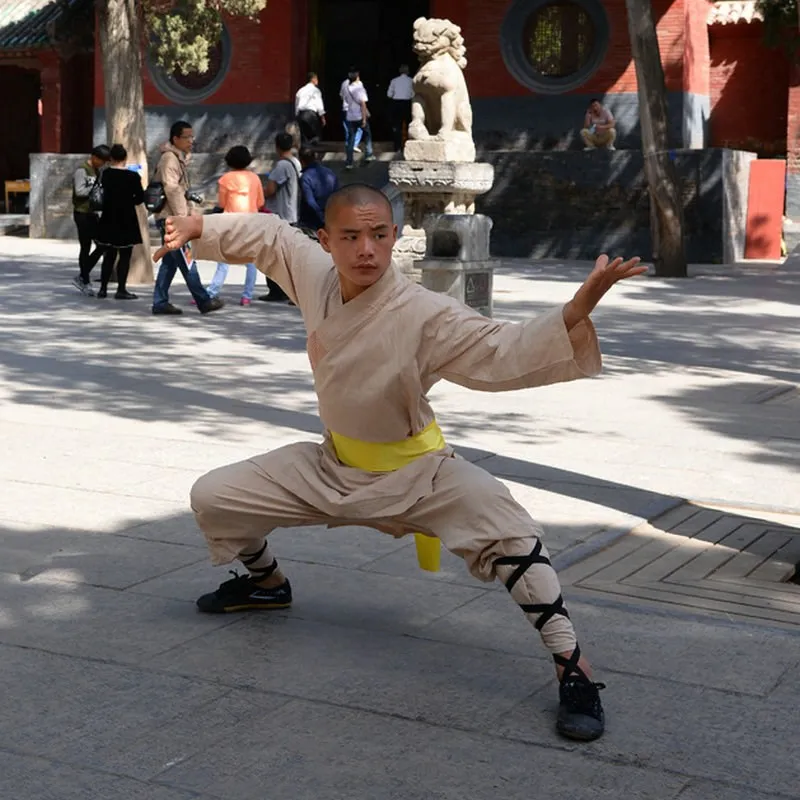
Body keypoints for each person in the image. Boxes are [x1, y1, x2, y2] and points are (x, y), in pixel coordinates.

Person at [155, 183, 646, 742]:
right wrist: (202, 227)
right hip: (332, 466)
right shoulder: (314, 274)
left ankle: (572, 667)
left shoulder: (422, 311)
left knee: (508, 528)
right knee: (215, 495)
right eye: (351, 237)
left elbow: (499, 349)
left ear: (394, 238)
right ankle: (266, 584)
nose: (367, 249)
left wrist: (574, 312)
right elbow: (270, 236)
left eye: (379, 235)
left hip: (420, 474)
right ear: (327, 241)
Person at [151, 120, 224, 315]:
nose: (191, 140)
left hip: (171, 217)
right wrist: (182, 218)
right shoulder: (169, 159)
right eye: (187, 137)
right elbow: (172, 189)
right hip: (173, 219)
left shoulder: (177, 158)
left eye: (192, 137)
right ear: (176, 139)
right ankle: (203, 300)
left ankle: (160, 302)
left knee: (170, 261)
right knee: (187, 259)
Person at [205, 145, 264, 306]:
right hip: (251, 222)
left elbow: (222, 203)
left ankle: (212, 292)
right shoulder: (255, 178)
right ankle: (247, 296)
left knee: (223, 259)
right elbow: (260, 202)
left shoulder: (225, 179)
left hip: (230, 222)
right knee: (251, 262)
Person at [93, 144, 144, 300]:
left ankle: (103, 289)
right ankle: (121, 289)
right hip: (126, 219)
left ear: (111, 158)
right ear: (125, 158)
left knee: (109, 255)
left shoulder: (105, 174)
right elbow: (140, 198)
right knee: (125, 256)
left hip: (108, 218)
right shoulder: (133, 177)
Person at [259, 132, 301, 302]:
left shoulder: (281, 166)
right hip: (292, 213)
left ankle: (276, 291)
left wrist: (257, 192)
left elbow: (270, 190)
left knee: (273, 255)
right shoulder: (295, 162)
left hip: (280, 214)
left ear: (276, 146)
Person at [71, 144, 111, 296]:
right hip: (82, 213)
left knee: (102, 245)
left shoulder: (98, 171)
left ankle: (82, 275)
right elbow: (79, 191)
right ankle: (84, 279)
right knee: (85, 246)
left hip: (93, 213)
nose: (103, 164)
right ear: (94, 157)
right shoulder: (82, 170)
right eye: (101, 160)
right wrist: (95, 187)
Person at [298, 147, 339, 231]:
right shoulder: (330, 173)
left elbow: (310, 202)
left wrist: (322, 219)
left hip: (311, 224)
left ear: (301, 160)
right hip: (330, 219)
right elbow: (338, 196)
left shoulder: (305, 177)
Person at [341, 68, 375, 170]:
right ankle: (368, 154)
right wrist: (364, 119)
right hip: (359, 115)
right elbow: (363, 104)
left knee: (351, 139)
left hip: (350, 116)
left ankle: (349, 162)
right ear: (357, 77)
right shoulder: (359, 88)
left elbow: (344, 99)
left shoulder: (346, 88)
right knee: (367, 134)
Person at [387, 64, 414, 152]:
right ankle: (408, 146)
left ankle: (397, 147)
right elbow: (413, 94)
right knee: (409, 125)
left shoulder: (394, 81)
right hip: (407, 103)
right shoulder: (411, 81)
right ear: (408, 72)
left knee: (396, 127)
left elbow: (389, 94)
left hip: (396, 103)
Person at [295, 72, 326, 144]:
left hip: (301, 115)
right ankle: (313, 152)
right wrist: (322, 117)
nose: (318, 81)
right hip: (311, 115)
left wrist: (297, 116)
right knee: (315, 136)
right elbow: (319, 104)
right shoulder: (315, 90)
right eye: (317, 79)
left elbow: (296, 104)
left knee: (304, 137)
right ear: (313, 79)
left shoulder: (300, 90)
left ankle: (305, 152)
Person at [340, 69, 363, 155]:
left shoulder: (344, 83)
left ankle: (348, 144)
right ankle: (354, 144)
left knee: (347, 128)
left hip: (345, 108)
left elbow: (341, 96)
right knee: (359, 128)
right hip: (356, 110)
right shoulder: (359, 84)